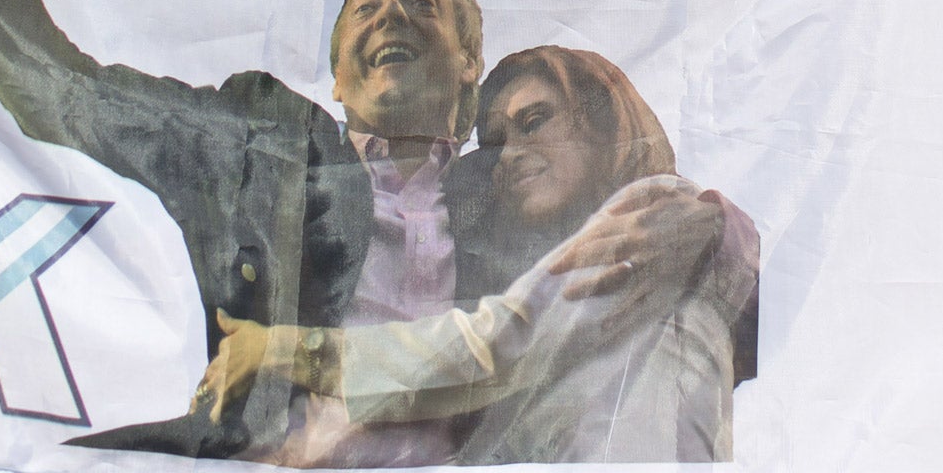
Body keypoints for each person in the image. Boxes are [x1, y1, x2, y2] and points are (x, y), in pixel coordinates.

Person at [0, 0, 740, 463]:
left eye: (424, 4)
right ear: (338, 76)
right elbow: (63, 93)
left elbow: (662, 247)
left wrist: (710, 234)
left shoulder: (521, 182)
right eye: (365, 9)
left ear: (467, 63)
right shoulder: (262, 146)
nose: (393, 19)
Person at [198, 45, 758, 463]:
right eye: (497, 142)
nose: (512, 154)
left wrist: (282, 350)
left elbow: (490, 345)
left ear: (604, 120)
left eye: (535, 121)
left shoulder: (655, 213)